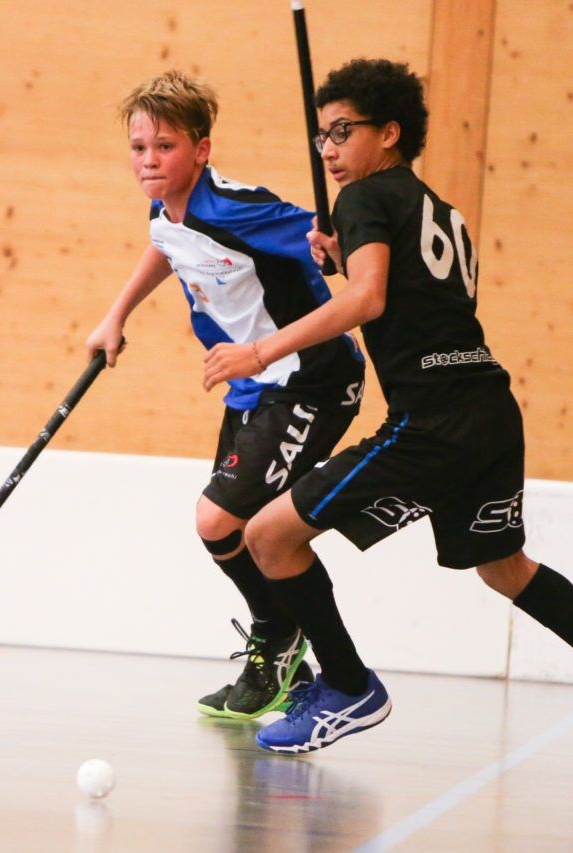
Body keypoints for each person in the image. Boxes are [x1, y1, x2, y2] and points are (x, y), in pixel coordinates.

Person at [202, 58, 573, 777]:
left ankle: (345, 686)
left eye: (343, 132)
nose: (330, 149)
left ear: (390, 132)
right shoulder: (437, 208)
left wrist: (261, 348)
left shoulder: (365, 198)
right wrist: (347, 258)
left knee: (269, 534)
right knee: (507, 567)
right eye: (321, 137)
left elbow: (369, 301)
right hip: (490, 410)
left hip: (431, 419)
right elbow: (407, 294)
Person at [86, 69, 366, 720]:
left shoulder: (235, 208)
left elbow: (320, 239)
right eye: (139, 149)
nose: (150, 162)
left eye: (165, 147)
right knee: (232, 527)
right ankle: (278, 646)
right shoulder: (169, 208)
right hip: (253, 388)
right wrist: (116, 314)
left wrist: (331, 245)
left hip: (312, 380)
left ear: (201, 150)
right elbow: (167, 243)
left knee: (217, 519)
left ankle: (282, 637)